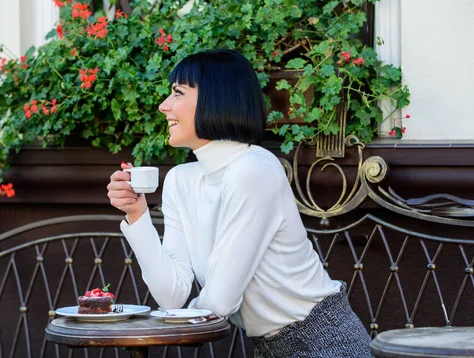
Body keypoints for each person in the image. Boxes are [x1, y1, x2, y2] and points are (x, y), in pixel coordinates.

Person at [107, 49, 373, 357]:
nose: (164, 106)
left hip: (324, 341)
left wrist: (161, 321)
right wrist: (137, 215)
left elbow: (220, 302)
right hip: (267, 347)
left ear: (215, 98)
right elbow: (171, 294)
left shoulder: (254, 168)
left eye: (177, 93)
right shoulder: (181, 180)